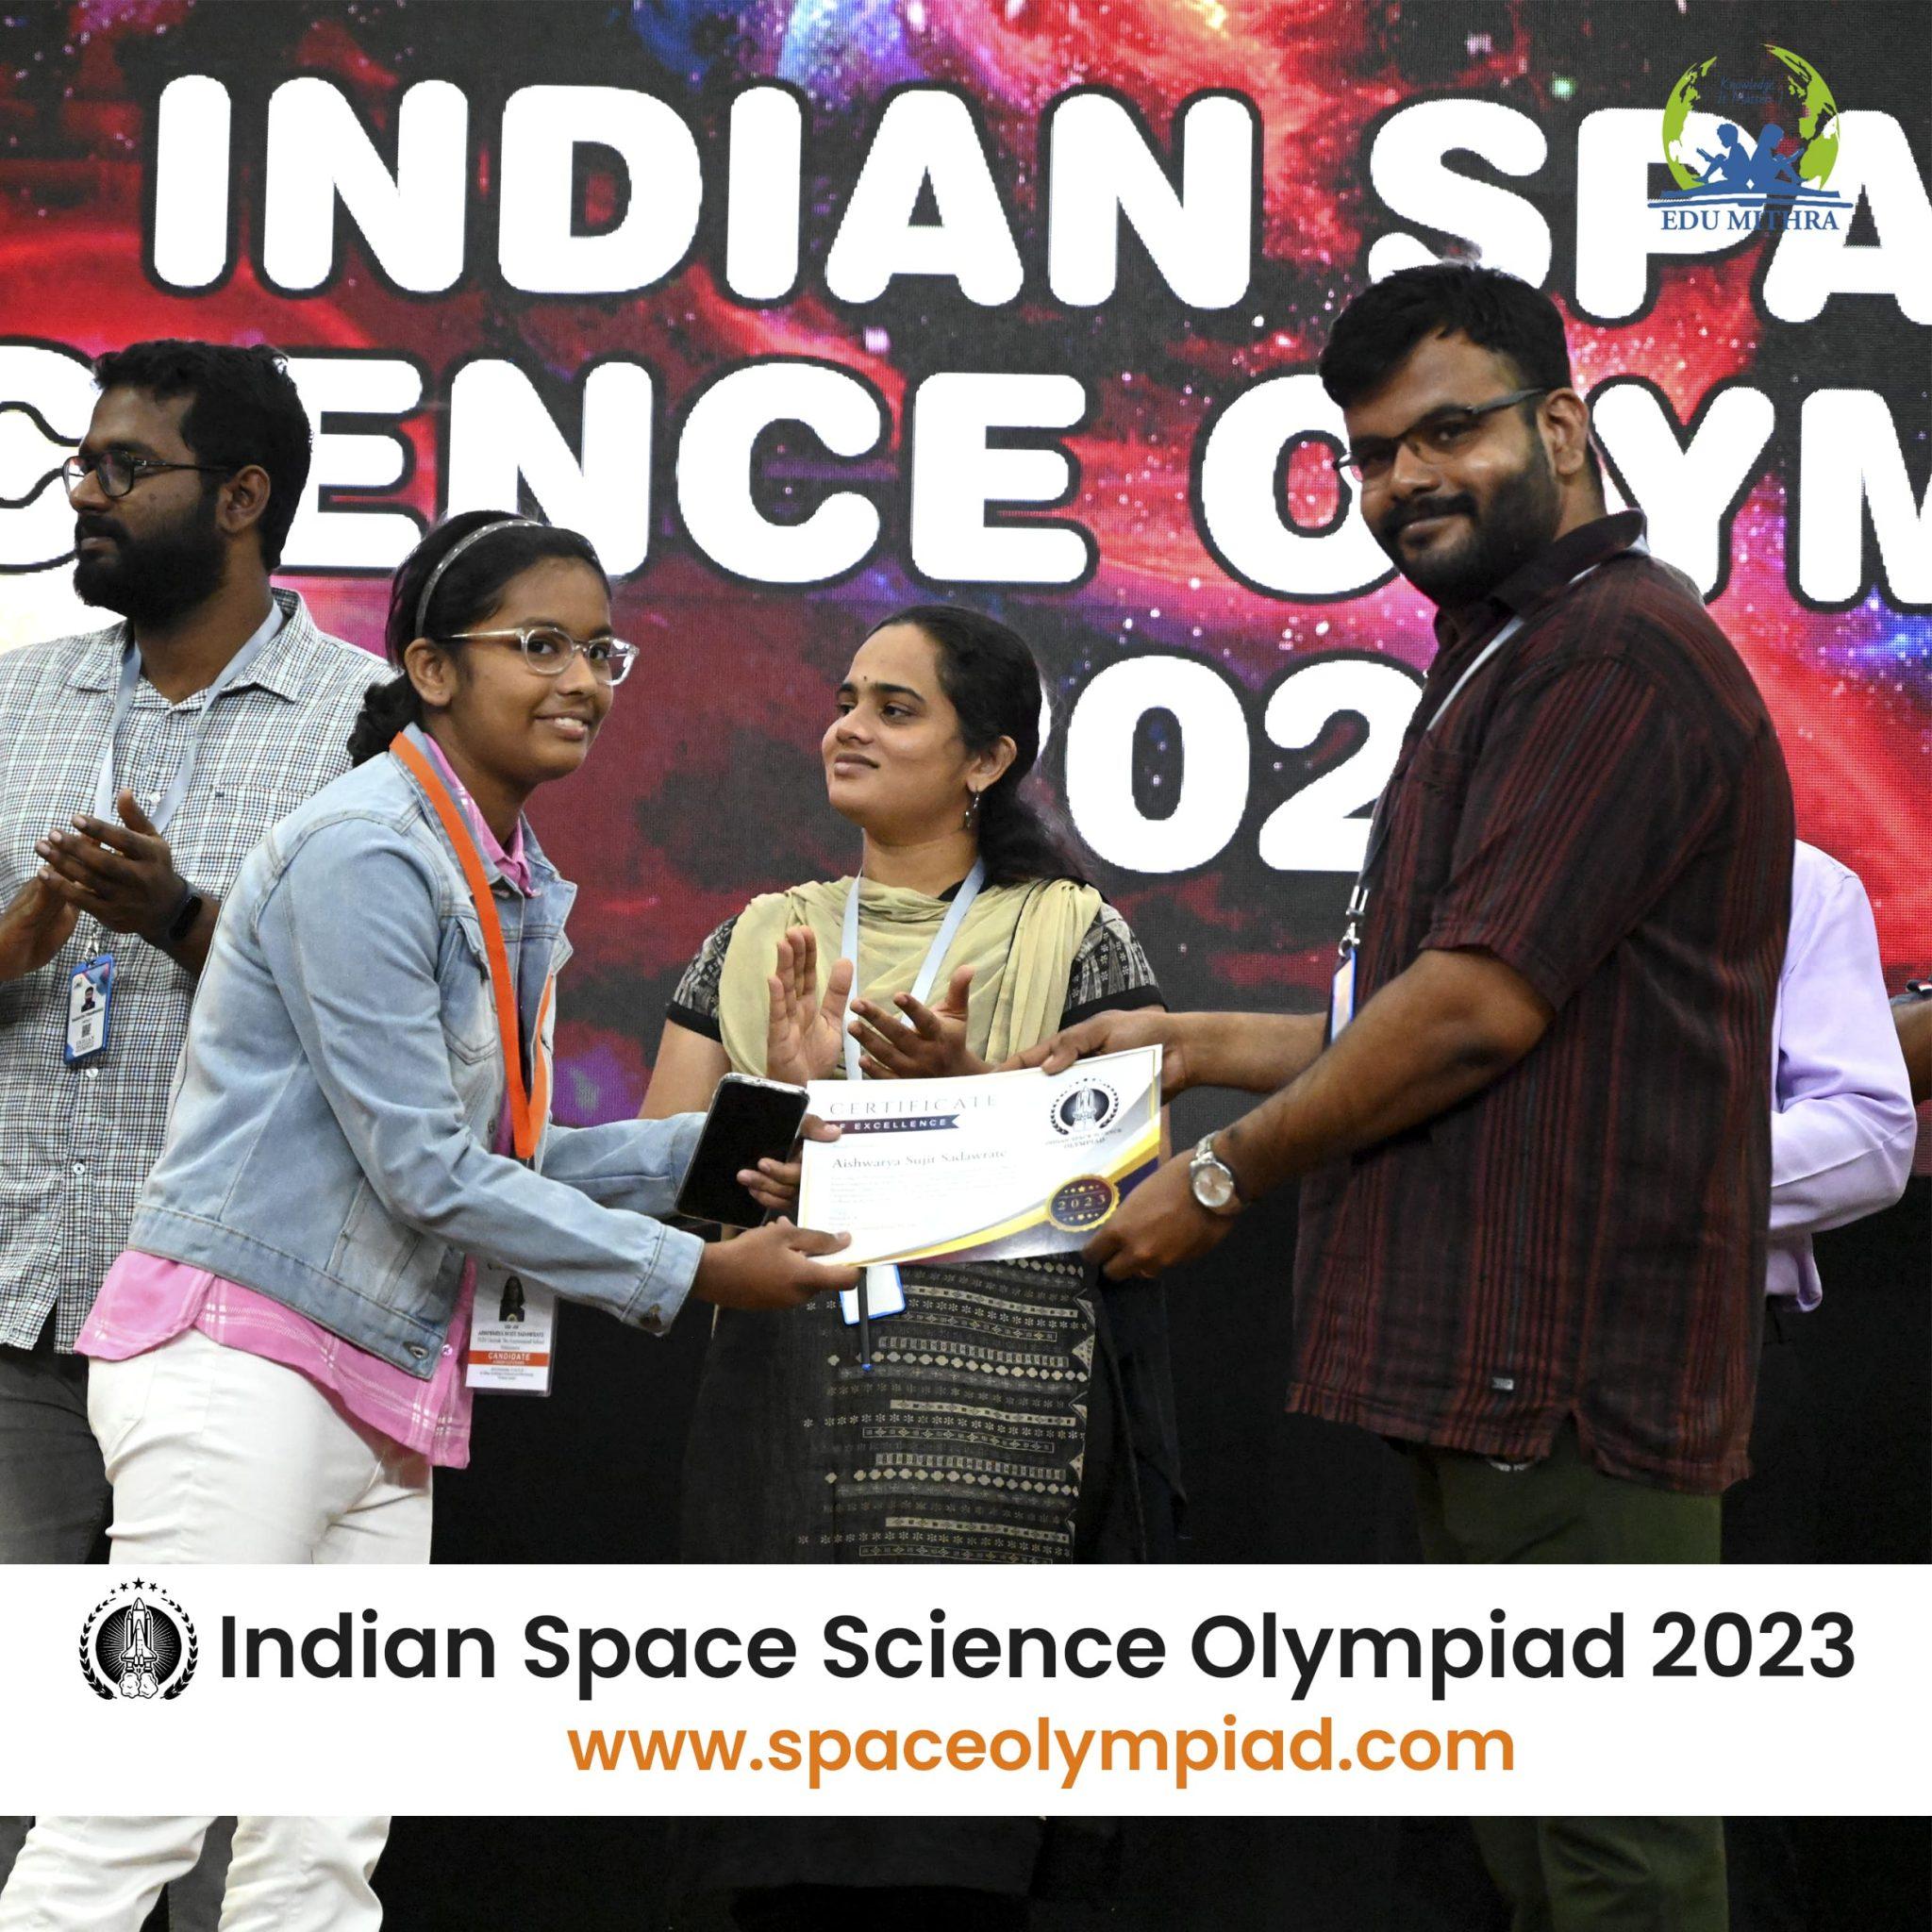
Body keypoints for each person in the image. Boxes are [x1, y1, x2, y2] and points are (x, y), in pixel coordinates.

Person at [1017, 264, 1794, 1931]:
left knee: (1614, 1866)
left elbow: (1473, 1010)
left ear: (1562, 426)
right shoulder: (1513, 651)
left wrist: (1220, 1176)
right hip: (1498, 1371)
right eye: (1372, 455)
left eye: (1447, 433)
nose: (1403, 482)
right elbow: (1434, 1005)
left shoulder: (1613, 659)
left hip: (1574, 1373)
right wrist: (1191, 1041)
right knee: (1532, 1856)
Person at [0, 512, 854, 1932]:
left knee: (323, 1842)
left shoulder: (495, 870)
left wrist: (767, 1127)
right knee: (137, 1802)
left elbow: (508, 1154)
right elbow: (428, 1175)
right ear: (433, 669)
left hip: (379, 1384)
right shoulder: (365, 850)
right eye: (541, 645)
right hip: (244, 1368)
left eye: (602, 651)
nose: (581, 679)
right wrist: (700, 1270)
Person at [644, 604, 1175, 1929]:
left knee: (954, 1868)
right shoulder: (760, 937)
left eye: (895, 708)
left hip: (986, 1444)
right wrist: (787, 1111)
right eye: (846, 700)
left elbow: (1129, 1196)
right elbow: (667, 1195)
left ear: (986, 759)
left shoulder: (1073, 933)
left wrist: (966, 1088)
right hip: (789, 1436)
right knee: (785, 1872)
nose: (850, 727)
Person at [0, 339, 387, 1921]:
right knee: (40, 1792)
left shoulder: (369, 729)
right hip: (22, 1314)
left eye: (121, 468)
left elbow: (400, 1026)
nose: (81, 494)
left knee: (227, 1797)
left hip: (251, 1329)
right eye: (80, 463)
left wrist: (179, 918)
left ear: (241, 498)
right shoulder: (13, 700)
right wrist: (15, 949)